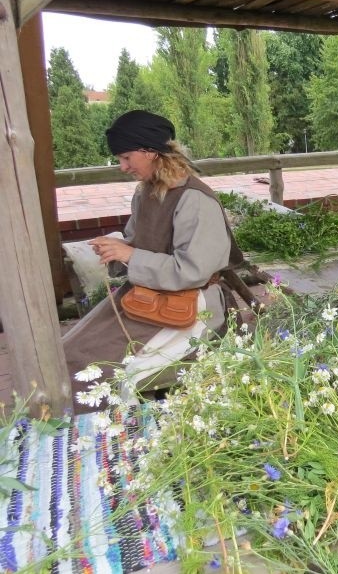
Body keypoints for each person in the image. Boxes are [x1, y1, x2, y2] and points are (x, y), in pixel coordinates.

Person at [63, 110, 243, 413]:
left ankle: (118, 434)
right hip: (147, 297)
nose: (122, 167)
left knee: (104, 369)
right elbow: (138, 243)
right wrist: (116, 249)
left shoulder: (195, 200)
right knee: (69, 350)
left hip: (190, 306)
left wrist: (130, 255)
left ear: (149, 151)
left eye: (125, 157)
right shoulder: (145, 192)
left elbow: (194, 271)